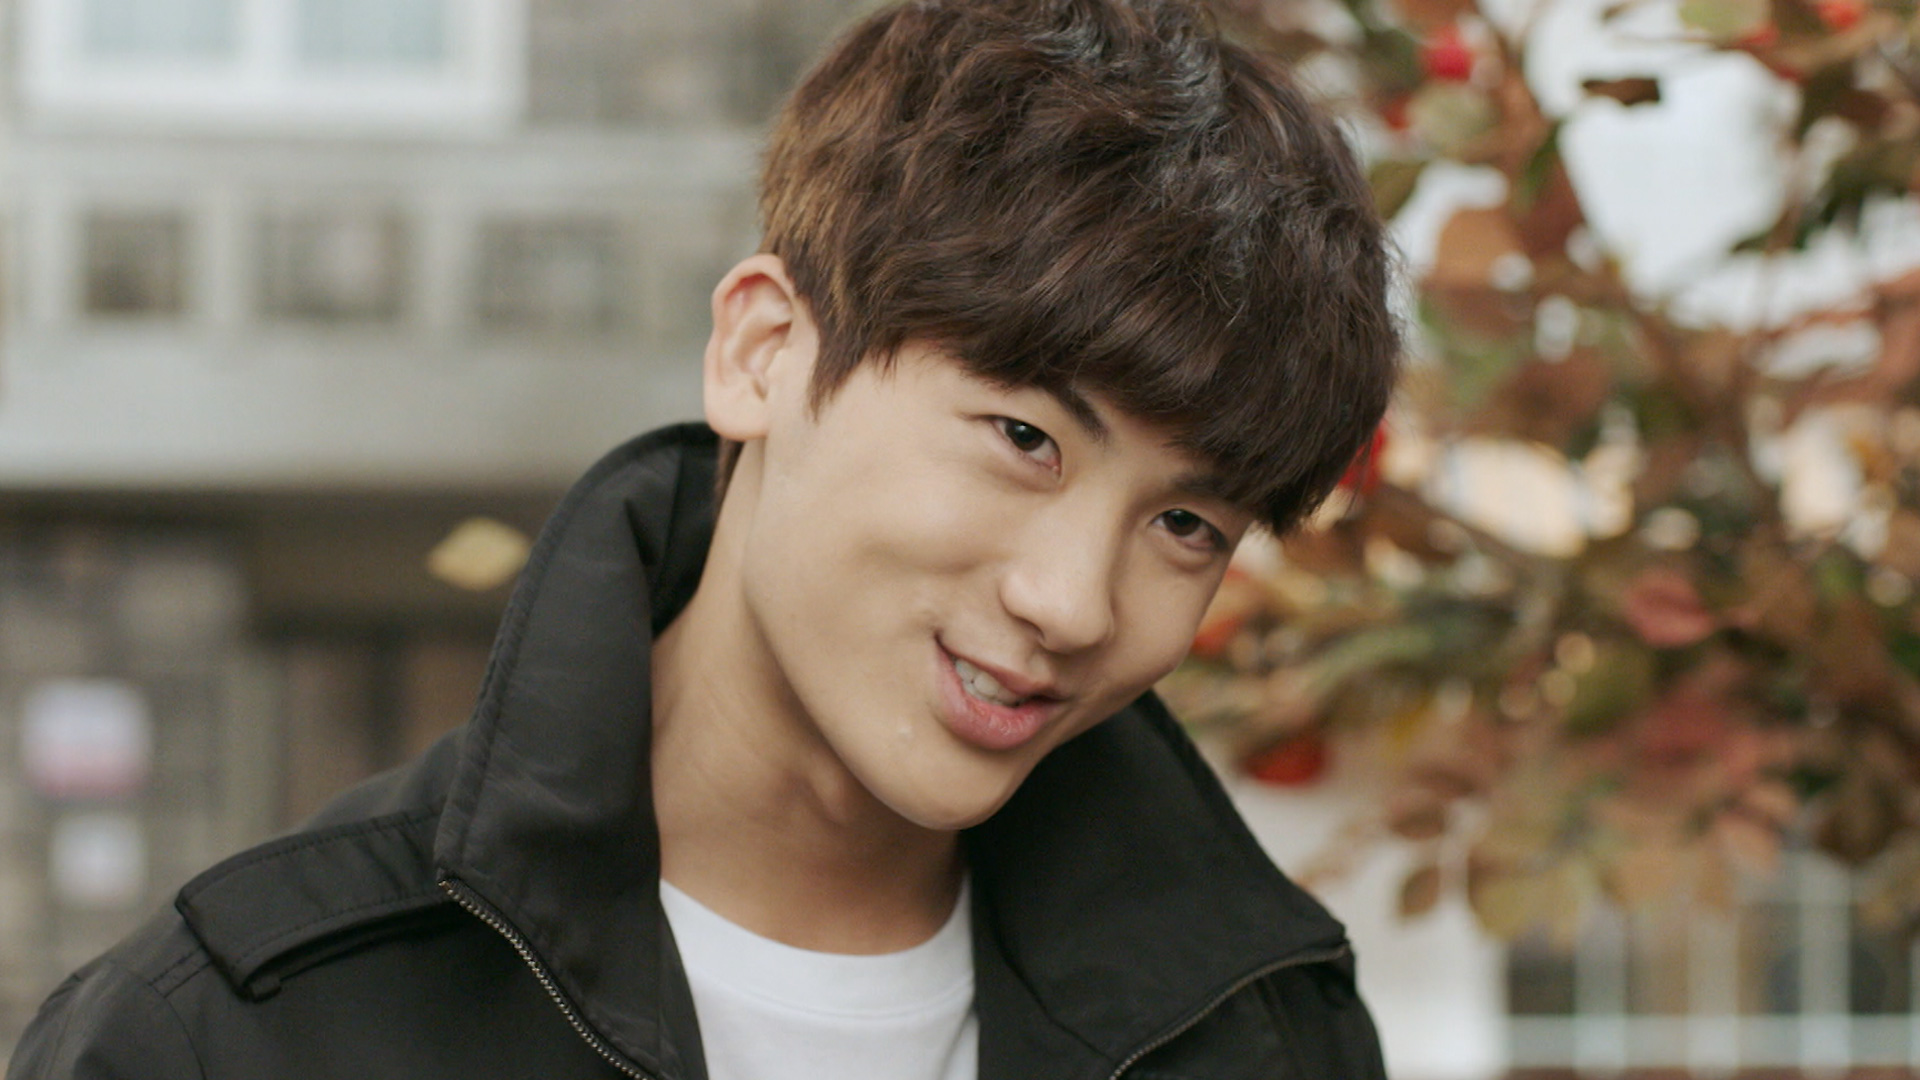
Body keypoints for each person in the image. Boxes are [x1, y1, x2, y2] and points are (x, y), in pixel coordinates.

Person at [8, 0, 1399, 1077]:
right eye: (1025, 439)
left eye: (1186, 523)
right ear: (762, 352)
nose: (1073, 602)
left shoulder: (1274, 1037)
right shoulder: (238, 1035)